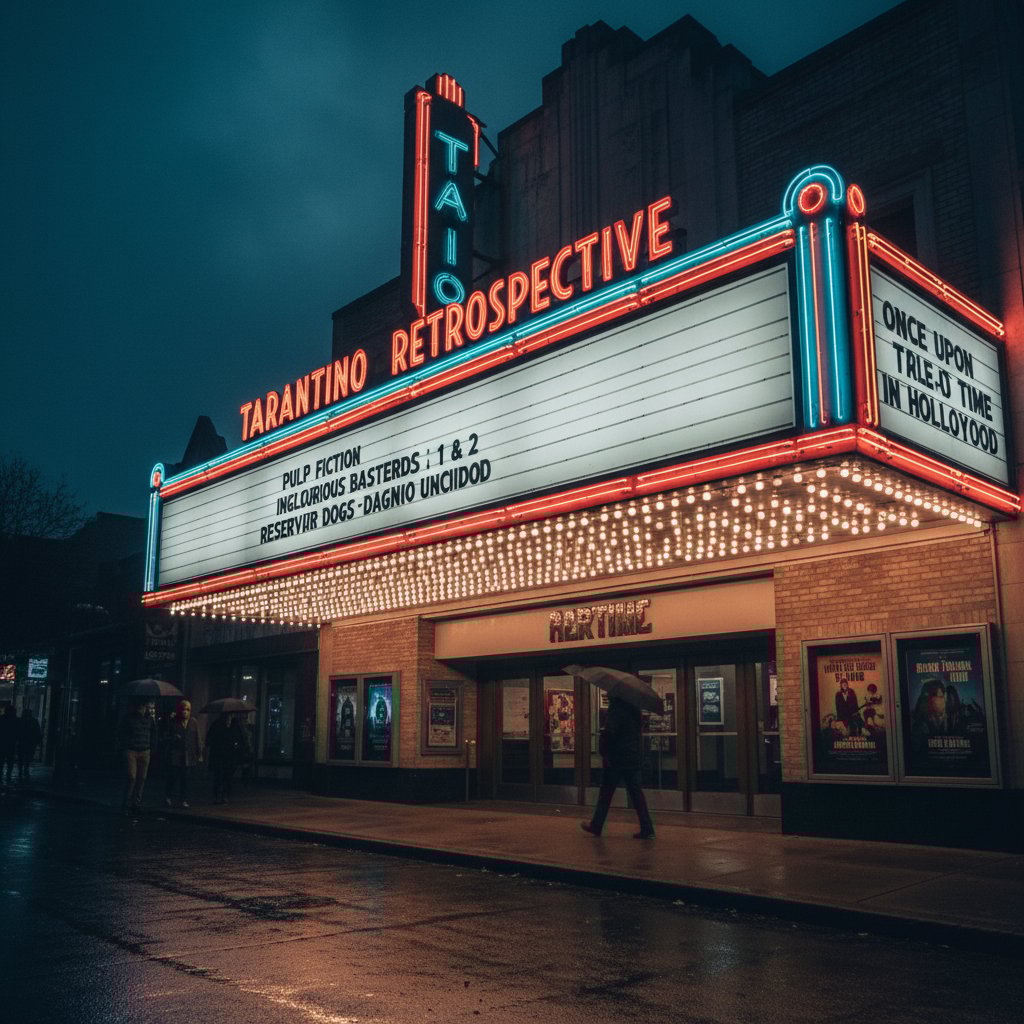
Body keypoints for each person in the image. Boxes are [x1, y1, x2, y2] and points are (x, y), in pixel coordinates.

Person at [580, 695, 655, 839]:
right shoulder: (634, 709)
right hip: (632, 758)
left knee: (606, 793)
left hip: (617, 758)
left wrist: (604, 748)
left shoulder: (616, 710)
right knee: (636, 794)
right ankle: (647, 827)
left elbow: (611, 733)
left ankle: (596, 825)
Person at [118, 699, 156, 815]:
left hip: (145, 750)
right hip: (131, 750)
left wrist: (152, 747)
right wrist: (126, 744)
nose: (143, 708)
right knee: (132, 777)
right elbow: (121, 733)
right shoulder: (129, 718)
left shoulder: (150, 719)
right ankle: (126, 804)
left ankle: (136, 803)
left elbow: (154, 734)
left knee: (142, 778)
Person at [163, 699, 201, 808]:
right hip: (175, 755)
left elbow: (197, 738)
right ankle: (168, 797)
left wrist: (199, 753)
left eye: (187, 709)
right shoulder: (173, 721)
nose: (185, 711)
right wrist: (173, 738)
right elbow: (165, 737)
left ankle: (183, 799)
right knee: (173, 777)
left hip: (188, 755)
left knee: (185, 780)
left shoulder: (193, 722)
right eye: (183, 709)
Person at [206, 713, 251, 804]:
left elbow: (241, 740)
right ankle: (217, 795)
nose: (228, 718)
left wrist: (238, 746)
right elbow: (209, 739)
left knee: (228, 777)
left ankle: (225, 795)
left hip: (231, 755)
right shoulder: (217, 725)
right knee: (219, 776)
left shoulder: (235, 726)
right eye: (227, 716)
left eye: (230, 716)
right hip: (219, 755)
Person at [17, 708, 43, 780]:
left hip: (26, 742)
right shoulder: (33, 721)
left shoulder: (21, 721)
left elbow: (37, 732)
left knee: (23, 757)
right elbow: (37, 732)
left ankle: (23, 770)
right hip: (27, 742)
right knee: (24, 757)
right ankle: (24, 769)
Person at [0, 703, 18, 785]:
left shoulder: (2, 719)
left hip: (3, 743)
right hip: (10, 743)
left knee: (2, 760)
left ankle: (4, 775)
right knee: (9, 760)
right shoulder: (15, 720)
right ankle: (8, 775)